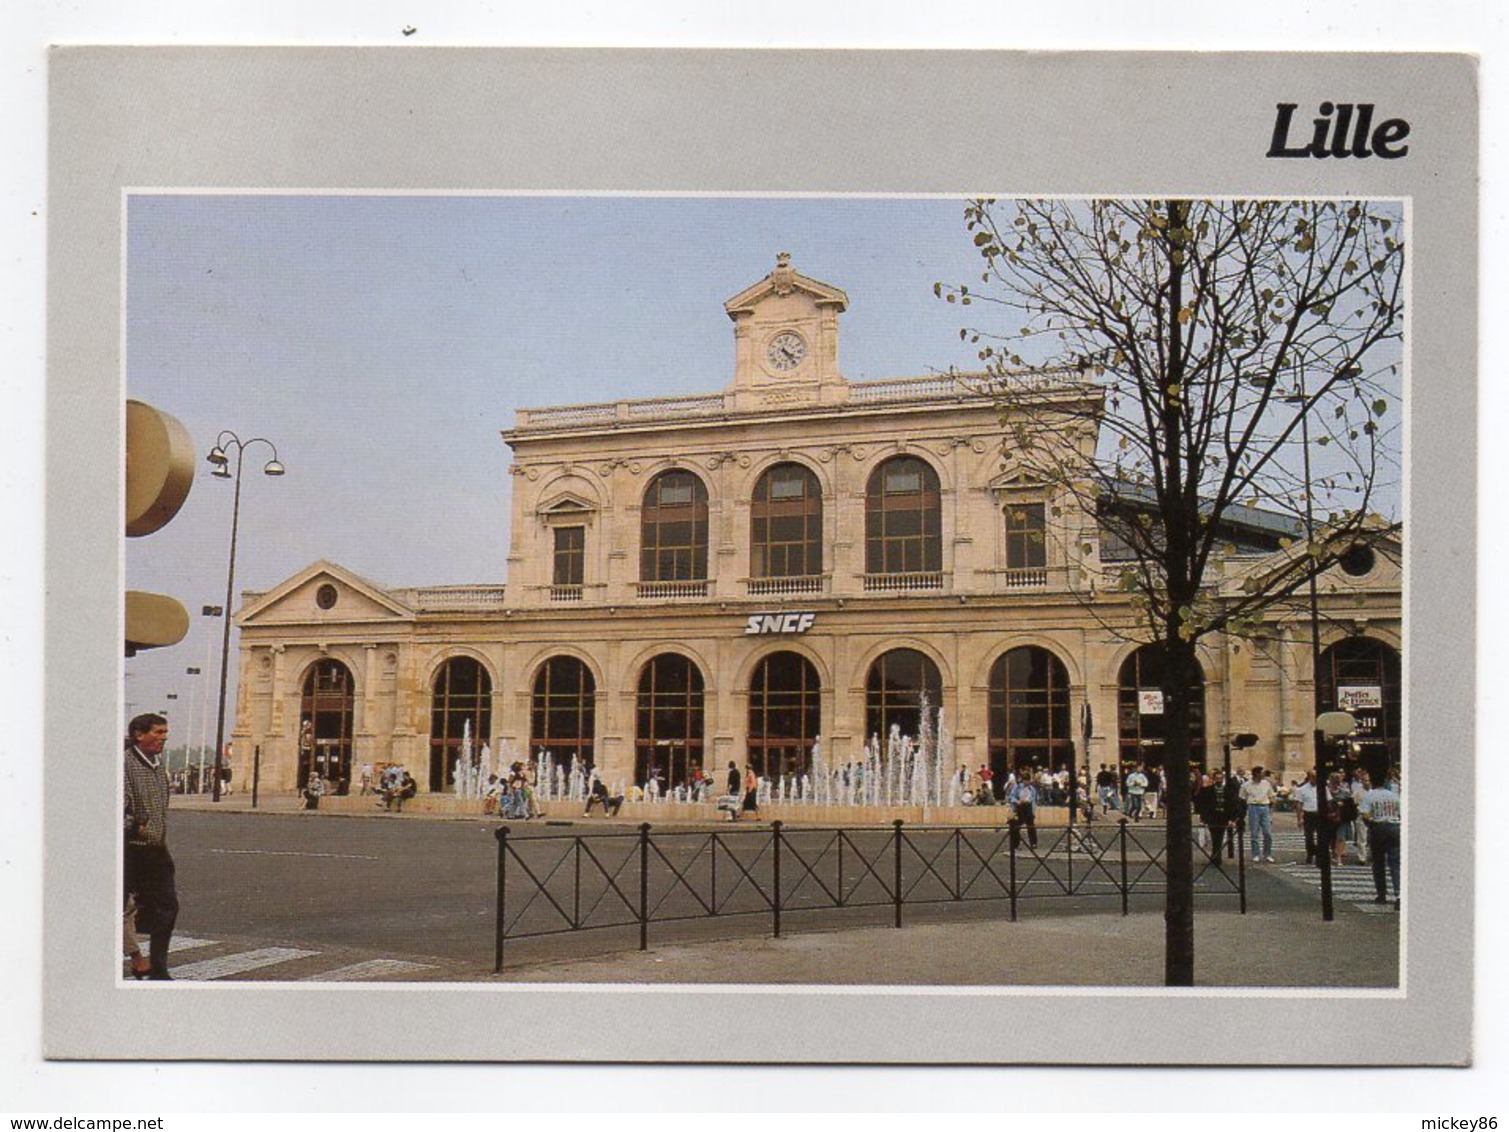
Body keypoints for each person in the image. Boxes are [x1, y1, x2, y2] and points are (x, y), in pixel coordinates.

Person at [123, 713, 178, 980]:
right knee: (120, 908)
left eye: (165, 732)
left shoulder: (158, 765)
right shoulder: (124, 764)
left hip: (155, 849)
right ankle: (135, 958)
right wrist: (135, 824)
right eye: (158, 732)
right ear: (139, 734)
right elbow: (119, 805)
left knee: (167, 906)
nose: (163, 737)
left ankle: (158, 967)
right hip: (129, 849)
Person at [1358, 771, 1402, 908]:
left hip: (1378, 827)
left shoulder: (1369, 796)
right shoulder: (1394, 796)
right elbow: (1400, 813)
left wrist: (1371, 824)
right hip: (1394, 827)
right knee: (1395, 862)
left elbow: (1365, 814)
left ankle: (1381, 894)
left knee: (1378, 862)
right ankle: (1399, 894)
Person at [1240, 765, 1278, 862]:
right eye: (1261, 773)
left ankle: (1267, 853)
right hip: (1253, 807)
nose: (1263, 775)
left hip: (1265, 807)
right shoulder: (1246, 785)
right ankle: (1255, 854)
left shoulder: (1266, 784)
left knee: (1267, 833)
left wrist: (1271, 812)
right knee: (1254, 833)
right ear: (1256, 774)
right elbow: (1242, 798)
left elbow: (1272, 797)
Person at [1294, 771, 1321, 865]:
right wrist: (1299, 818)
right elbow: (1299, 804)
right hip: (1309, 815)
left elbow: (1328, 801)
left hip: (1320, 815)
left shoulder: (1323, 788)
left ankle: (1319, 855)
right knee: (1309, 837)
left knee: (1321, 837)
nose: (1315, 779)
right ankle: (1311, 853)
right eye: (1313, 777)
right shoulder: (1302, 789)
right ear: (1309, 777)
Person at [1009, 776, 1038, 850]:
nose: (1027, 782)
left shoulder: (1032, 789)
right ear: (1023, 780)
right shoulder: (1017, 787)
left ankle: (1033, 843)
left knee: (1031, 826)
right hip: (1018, 808)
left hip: (1028, 808)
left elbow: (1034, 799)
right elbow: (1011, 797)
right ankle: (1015, 845)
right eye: (1026, 780)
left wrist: (1029, 801)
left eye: (1028, 781)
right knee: (1015, 826)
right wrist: (1017, 801)